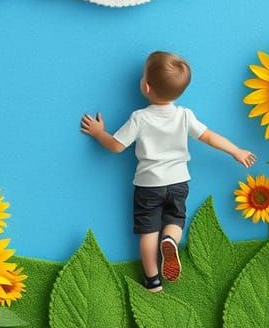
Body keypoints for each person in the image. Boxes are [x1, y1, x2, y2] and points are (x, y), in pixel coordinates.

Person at [79, 51, 256, 292]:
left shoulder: (140, 118)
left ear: (146, 87)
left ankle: (152, 280)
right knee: (175, 219)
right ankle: (170, 240)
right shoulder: (185, 115)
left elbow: (116, 146)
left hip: (148, 185)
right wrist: (236, 150)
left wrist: (100, 132)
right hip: (178, 182)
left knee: (148, 233)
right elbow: (209, 137)